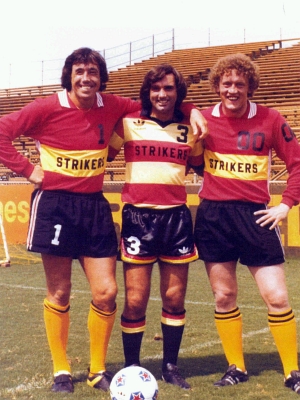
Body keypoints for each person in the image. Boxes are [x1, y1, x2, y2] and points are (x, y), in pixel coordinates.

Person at [0, 49, 207, 394]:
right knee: (60, 291)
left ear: (101, 77)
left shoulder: (112, 106)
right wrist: (27, 169)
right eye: (79, 71)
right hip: (56, 206)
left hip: (94, 207)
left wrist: (194, 109)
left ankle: (98, 369)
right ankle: (62, 370)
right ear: (68, 75)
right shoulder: (45, 106)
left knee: (107, 292)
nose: (86, 78)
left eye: (93, 72)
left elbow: (159, 104)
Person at [194, 53, 300, 394]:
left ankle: (292, 371)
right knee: (224, 296)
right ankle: (235, 366)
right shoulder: (204, 119)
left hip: (256, 216)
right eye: (226, 83)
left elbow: (297, 163)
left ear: (249, 86)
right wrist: (191, 113)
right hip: (213, 216)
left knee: (277, 297)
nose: (233, 89)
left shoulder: (270, 119)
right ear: (217, 86)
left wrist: (285, 206)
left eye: (240, 83)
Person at [108, 64, 205, 390]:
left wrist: (193, 111)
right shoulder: (129, 122)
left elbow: (203, 166)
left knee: (174, 298)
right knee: (135, 300)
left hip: (176, 218)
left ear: (178, 93)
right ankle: (132, 368)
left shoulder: (189, 128)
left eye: (169, 89)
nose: (162, 95)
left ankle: (170, 366)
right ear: (147, 93)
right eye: (156, 89)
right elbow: (104, 153)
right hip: (138, 218)